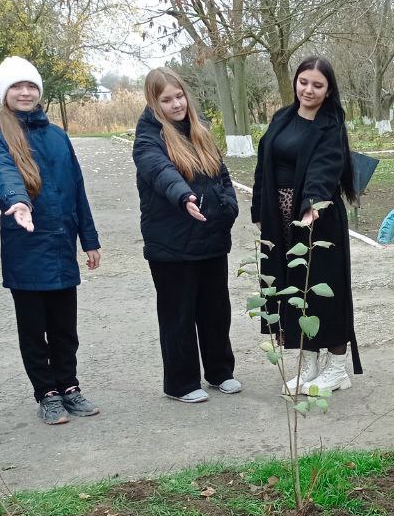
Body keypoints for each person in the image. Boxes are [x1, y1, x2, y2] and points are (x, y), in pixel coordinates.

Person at [0, 56, 104, 425]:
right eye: (17, 86)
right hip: (27, 245)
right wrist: (17, 201)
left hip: (62, 243)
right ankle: (46, 393)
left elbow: (77, 189)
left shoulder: (58, 136)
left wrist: (89, 239)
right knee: (34, 328)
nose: (25, 92)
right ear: (5, 93)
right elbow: (2, 171)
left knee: (65, 326)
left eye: (31, 86)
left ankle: (69, 386)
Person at [251, 57, 362, 394]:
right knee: (294, 288)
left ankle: (336, 368)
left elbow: (326, 167)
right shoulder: (282, 118)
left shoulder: (330, 124)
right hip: (280, 220)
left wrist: (312, 204)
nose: (308, 90)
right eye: (304, 82)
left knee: (325, 292)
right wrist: (259, 209)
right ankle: (309, 365)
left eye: (318, 85)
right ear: (296, 81)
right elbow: (263, 164)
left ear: (328, 91)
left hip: (319, 222)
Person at [133, 67, 241, 403]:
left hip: (210, 236)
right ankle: (180, 383)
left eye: (179, 96)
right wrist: (184, 195)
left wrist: (228, 207)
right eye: (167, 100)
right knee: (178, 315)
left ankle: (220, 372)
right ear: (154, 102)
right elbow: (159, 171)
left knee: (215, 310)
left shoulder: (201, 129)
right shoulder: (148, 138)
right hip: (172, 244)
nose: (176, 104)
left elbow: (221, 174)